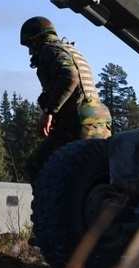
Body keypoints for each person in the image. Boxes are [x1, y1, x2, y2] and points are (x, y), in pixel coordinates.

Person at [20, 17, 112, 181]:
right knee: (93, 177)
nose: (30, 52)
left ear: (36, 39)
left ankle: (49, 207)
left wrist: (50, 111)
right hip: (98, 120)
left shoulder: (50, 50)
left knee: (38, 166)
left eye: (29, 45)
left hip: (78, 122)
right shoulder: (69, 49)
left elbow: (70, 77)